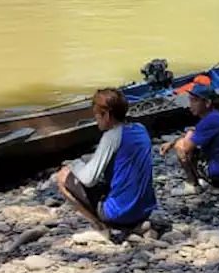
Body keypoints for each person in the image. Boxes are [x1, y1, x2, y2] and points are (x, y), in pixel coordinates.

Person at [55, 88, 156, 243]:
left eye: (97, 115)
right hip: (144, 211)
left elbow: (88, 179)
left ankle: (100, 229)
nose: (96, 120)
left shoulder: (111, 135)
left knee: (63, 177)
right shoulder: (140, 129)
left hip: (119, 214)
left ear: (107, 115)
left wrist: (73, 165)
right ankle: (136, 224)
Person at [158, 82, 219, 193]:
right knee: (185, 142)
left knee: (181, 147)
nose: (190, 105)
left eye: (194, 101)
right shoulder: (214, 117)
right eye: (190, 100)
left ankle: (192, 184)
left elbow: (186, 147)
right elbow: (195, 132)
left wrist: (178, 142)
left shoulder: (209, 121)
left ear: (207, 103)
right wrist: (172, 142)